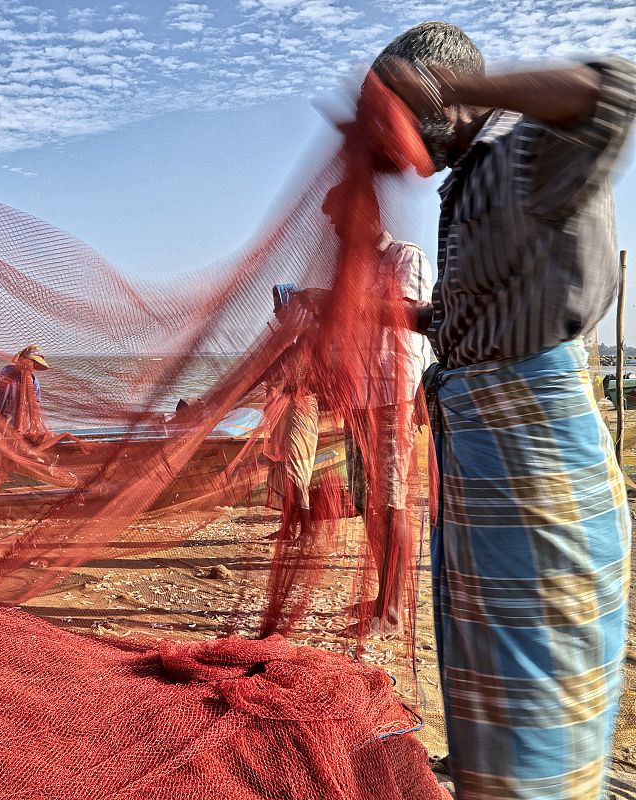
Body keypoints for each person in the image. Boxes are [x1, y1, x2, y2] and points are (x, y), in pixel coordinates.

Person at [373, 22, 634, 800]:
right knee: (486, 665)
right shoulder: (469, 183)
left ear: (444, 95)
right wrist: (379, 314)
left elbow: (612, 90)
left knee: (538, 672)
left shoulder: (528, 151)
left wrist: (457, 91)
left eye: (402, 104)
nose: (392, 131)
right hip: (483, 464)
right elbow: (458, 321)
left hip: (536, 458)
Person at [324, 186, 434, 635]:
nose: (335, 232)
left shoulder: (406, 257)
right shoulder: (355, 272)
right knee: (368, 500)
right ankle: (383, 596)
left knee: (391, 500)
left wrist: (336, 303)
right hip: (359, 400)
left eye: (339, 221)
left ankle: (393, 612)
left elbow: (411, 314)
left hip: (393, 396)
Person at [262, 284, 320, 544]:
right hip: (288, 407)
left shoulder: (311, 335)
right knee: (285, 466)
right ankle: (288, 527)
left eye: (279, 305)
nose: (275, 311)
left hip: (302, 408)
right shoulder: (295, 340)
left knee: (297, 467)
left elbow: (303, 376)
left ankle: (307, 531)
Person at [0, 344, 48, 435]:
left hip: (20, 419)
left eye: (33, 363)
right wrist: (13, 373)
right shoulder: (7, 370)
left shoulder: (34, 381)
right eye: (29, 361)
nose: (29, 364)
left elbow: (36, 405)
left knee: (16, 439)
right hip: (0, 415)